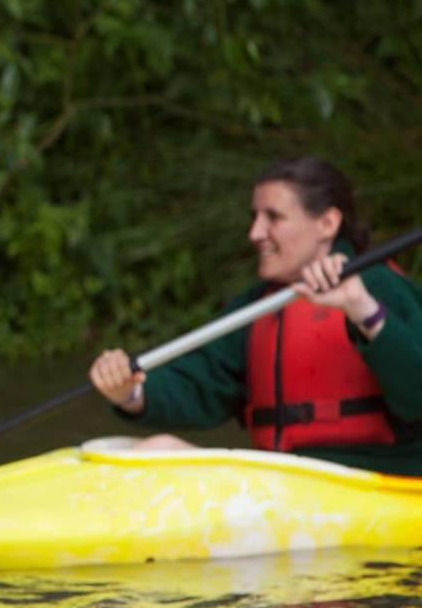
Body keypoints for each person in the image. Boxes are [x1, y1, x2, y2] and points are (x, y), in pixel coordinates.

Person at [89, 157, 422, 475]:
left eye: (273, 217)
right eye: (255, 217)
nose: (255, 233)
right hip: (287, 478)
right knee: (155, 451)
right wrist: (129, 393)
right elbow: (200, 384)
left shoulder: (380, 287)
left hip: (379, 481)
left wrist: (362, 308)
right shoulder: (258, 306)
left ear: (327, 223)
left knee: (159, 450)